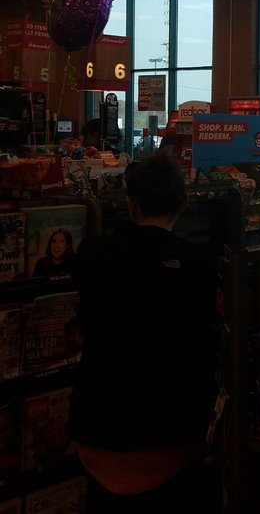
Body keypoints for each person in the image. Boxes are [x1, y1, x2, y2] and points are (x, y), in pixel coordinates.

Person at [68, 154, 223, 514]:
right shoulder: (199, 265)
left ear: (130, 204)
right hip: (171, 437)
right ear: (183, 202)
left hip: (95, 433)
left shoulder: (93, 255)